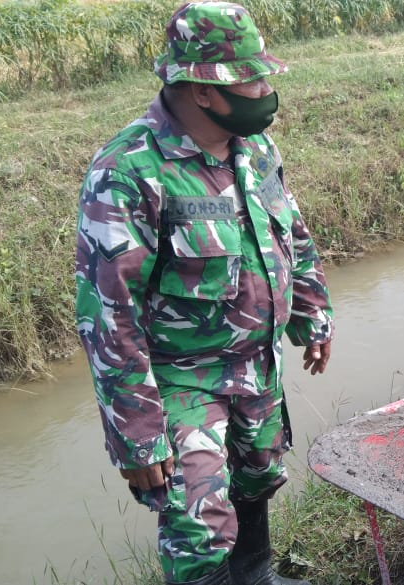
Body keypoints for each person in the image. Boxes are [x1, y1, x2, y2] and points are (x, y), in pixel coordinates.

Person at [75, 3, 333, 584]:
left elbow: (289, 229)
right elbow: (107, 314)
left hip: (256, 364)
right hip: (181, 379)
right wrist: (137, 434)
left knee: (258, 478)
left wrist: (313, 313)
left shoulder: (255, 148)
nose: (266, 91)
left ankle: (257, 575)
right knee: (198, 527)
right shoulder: (129, 171)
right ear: (203, 90)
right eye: (253, 79)